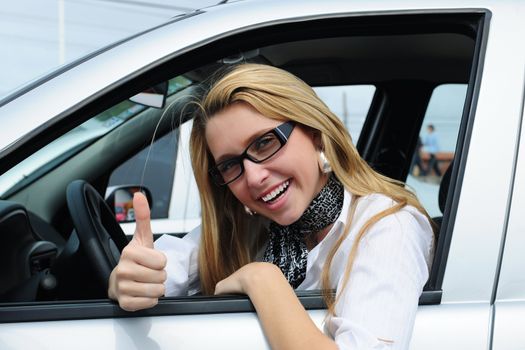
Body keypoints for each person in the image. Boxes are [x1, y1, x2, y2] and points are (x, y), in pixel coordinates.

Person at [108, 64, 435, 349]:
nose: (253, 177)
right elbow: (162, 269)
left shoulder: (388, 225)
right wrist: (128, 279)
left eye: (265, 143)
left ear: (316, 133)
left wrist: (262, 279)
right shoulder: (252, 224)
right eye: (230, 165)